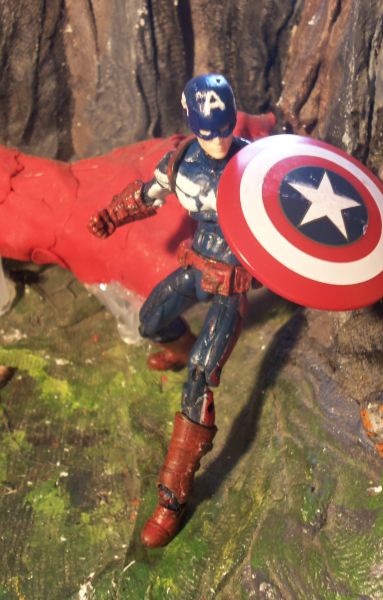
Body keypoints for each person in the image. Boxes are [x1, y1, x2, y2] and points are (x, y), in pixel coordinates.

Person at [89, 74, 251, 548]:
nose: (219, 140)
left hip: (232, 283)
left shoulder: (254, 162)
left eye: (225, 129)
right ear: (193, 126)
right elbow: (149, 194)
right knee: (151, 320)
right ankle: (180, 346)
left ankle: (172, 497)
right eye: (209, 132)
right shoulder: (181, 160)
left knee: (200, 376)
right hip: (197, 265)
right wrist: (112, 216)